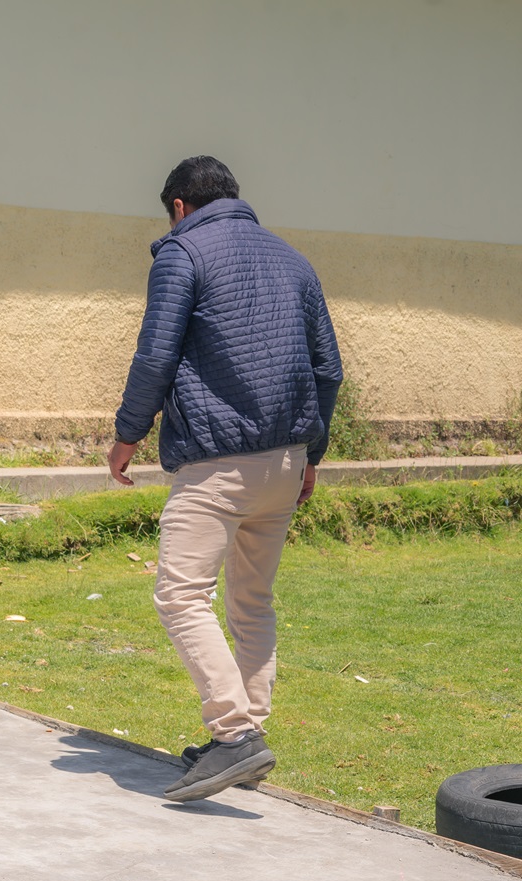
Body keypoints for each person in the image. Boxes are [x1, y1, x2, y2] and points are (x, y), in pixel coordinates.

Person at [110, 155, 342, 802]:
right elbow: (329, 370)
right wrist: (312, 456)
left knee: (180, 596)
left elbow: (156, 351)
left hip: (218, 462)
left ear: (179, 207)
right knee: (251, 603)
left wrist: (128, 434)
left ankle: (235, 736)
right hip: (286, 461)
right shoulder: (295, 261)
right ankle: (245, 740)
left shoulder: (182, 254)